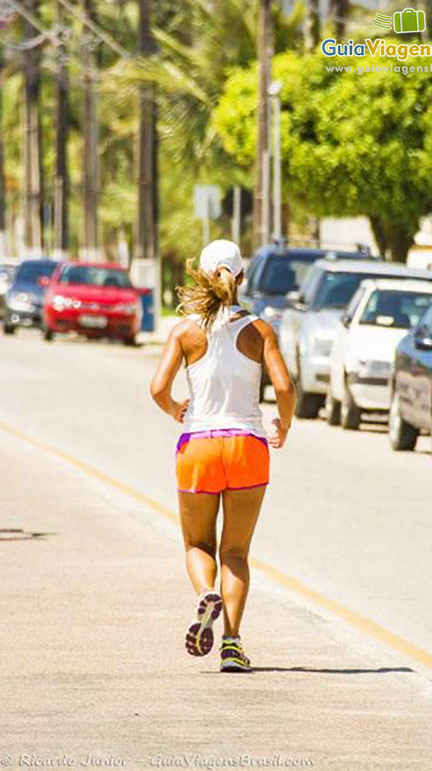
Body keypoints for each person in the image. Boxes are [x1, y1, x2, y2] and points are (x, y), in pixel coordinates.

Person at [150, 239, 296, 672]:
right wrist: (282, 425)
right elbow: (285, 388)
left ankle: (204, 595)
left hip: (198, 445)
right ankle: (231, 644)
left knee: (198, 543)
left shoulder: (185, 331)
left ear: (202, 276)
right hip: (247, 445)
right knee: (235, 552)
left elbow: (158, 388)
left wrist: (176, 408)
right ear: (242, 278)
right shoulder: (259, 330)